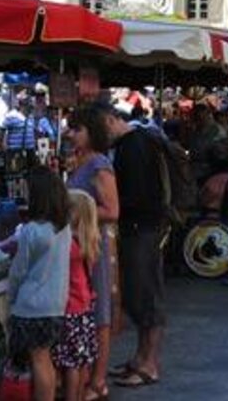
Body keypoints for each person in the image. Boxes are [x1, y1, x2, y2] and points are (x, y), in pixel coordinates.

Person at [71, 104, 167, 390]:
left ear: (111, 121)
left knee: (146, 296)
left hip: (143, 230)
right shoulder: (129, 145)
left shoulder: (132, 146)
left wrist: (85, 207)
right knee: (138, 296)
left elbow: (125, 202)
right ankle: (139, 359)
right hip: (138, 230)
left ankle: (149, 363)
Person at [0, 169, 73, 401]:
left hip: (31, 306)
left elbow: (19, 270)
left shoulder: (31, 231)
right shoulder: (63, 228)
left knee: (37, 359)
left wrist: (10, 296)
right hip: (56, 304)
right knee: (45, 359)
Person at [64, 109, 121, 400]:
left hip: (95, 247)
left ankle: (98, 381)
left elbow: (112, 210)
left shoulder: (99, 164)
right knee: (86, 311)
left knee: (99, 313)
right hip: (82, 246)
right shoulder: (81, 161)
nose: (71, 134)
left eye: (77, 129)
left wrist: (75, 214)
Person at [58, 190, 103, 401]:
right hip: (85, 309)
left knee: (70, 364)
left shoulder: (68, 246)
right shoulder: (89, 243)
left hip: (70, 310)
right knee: (81, 360)